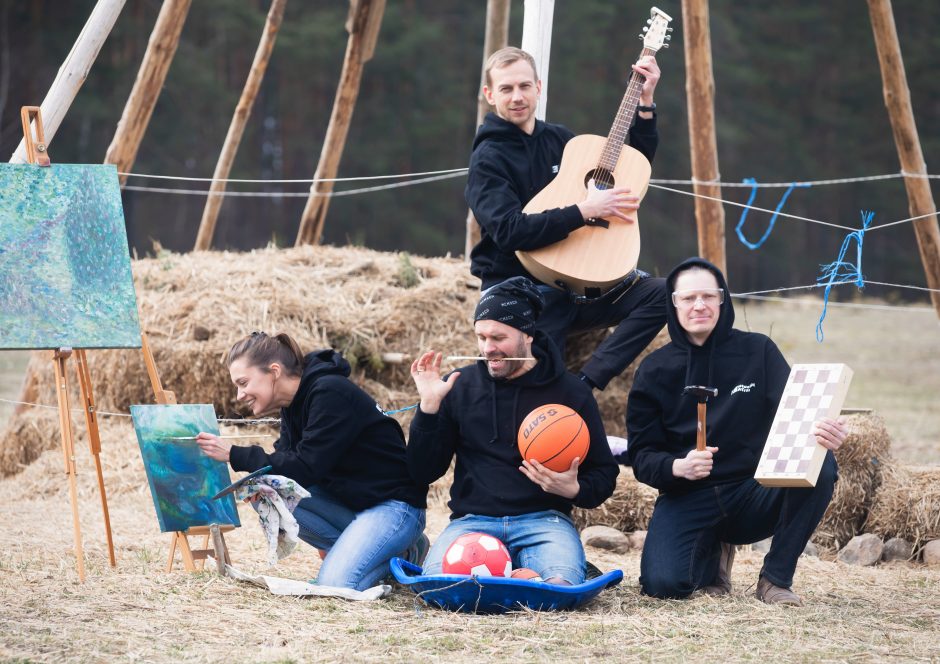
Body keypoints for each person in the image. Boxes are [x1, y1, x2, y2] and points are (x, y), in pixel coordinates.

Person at [626, 258, 848, 606]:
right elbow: (641, 455)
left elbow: (798, 416)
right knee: (663, 585)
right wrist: (676, 467)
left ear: (722, 299)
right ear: (674, 303)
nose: (698, 305)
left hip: (755, 489)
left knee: (821, 463)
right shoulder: (654, 370)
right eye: (688, 298)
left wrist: (825, 430)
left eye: (707, 296)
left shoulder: (758, 351)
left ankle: (775, 578)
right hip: (688, 496)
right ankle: (712, 554)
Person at [465, 46, 668, 391]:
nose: (517, 97)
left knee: (664, 292)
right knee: (552, 317)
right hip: (516, 286)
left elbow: (629, 169)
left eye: (524, 86)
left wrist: (645, 104)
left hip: (580, 283)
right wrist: (584, 211)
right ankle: (555, 393)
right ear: (489, 95)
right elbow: (510, 231)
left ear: (539, 87)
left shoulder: (562, 140)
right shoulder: (487, 160)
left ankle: (586, 384)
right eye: (506, 89)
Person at [407, 277, 619, 585]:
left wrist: (574, 490)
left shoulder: (571, 393)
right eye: (481, 337)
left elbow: (603, 475)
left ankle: (548, 565)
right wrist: (428, 409)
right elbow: (421, 472)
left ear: (528, 334)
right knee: (443, 587)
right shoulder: (459, 386)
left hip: (544, 522)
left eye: (498, 338)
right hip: (473, 524)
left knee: (560, 588)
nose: (487, 348)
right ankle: (517, 570)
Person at [196, 331, 428, 591]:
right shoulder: (292, 404)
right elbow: (285, 463)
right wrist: (258, 481)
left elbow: (306, 467)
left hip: (394, 506)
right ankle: (365, 549)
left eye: (243, 382)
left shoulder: (330, 393)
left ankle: (405, 554)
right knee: (265, 488)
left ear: (274, 371)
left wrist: (234, 454)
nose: (239, 395)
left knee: (336, 584)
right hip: (355, 503)